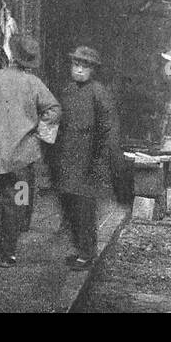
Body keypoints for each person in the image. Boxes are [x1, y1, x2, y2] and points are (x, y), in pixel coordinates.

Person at [0, 34, 61, 267]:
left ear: (12, 56)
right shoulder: (35, 84)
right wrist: (40, 133)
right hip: (22, 162)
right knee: (19, 204)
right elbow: (54, 110)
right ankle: (8, 254)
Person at [50, 45, 115, 271]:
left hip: (87, 159)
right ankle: (79, 249)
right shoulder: (67, 90)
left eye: (84, 66)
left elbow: (106, 129)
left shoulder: (98, 92)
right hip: (66, 156)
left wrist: (99, 160)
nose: (78, 70)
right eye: (76, 64)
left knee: (84, 209)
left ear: (92, 70)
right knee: (69, 206)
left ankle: (87, 253)